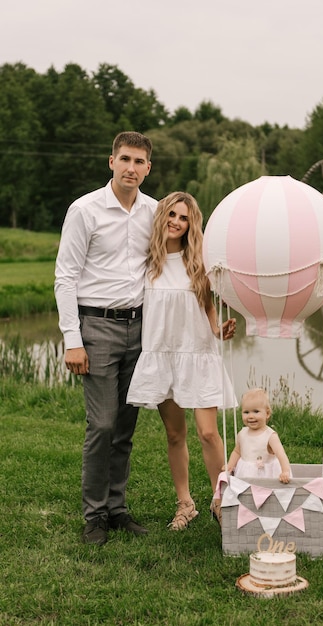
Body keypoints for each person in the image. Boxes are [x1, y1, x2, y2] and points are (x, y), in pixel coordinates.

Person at [54, 131, 156, 546]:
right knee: (102, 424)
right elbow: (65, 276)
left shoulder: (154, 211)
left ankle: (117, 509)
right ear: (110, 161)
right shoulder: (85, 210)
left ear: (149, 168)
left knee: (125, 427)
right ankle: (94, 515)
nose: (132, 168)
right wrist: (71, 338)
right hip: (96, 326)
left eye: (140, 162)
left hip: (141, 327)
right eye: (125, 159)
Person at [127, 191, 237, 530]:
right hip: (163, 357)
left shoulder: (199, 262)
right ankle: (185, 504)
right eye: (172, 215)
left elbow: (207, 307)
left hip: (198, 355)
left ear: (192, 224)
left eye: (184, 217)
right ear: (163, 218)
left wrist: (219, 330)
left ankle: (222, 501)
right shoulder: (147, 263)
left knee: (208, 433)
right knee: (175, 435)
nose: (176, 221)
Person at [225, 388, 291, 482]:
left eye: (256, 411)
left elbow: (281, 454)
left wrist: (285, 471)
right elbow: (237, 452)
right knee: (246, 492)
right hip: (246, 472)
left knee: (265, 494)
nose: (251, 416)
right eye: (246, 412)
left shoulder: (270, 435)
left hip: (266, 474)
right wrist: (230, 465)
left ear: (267, 413)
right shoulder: (242, 433)